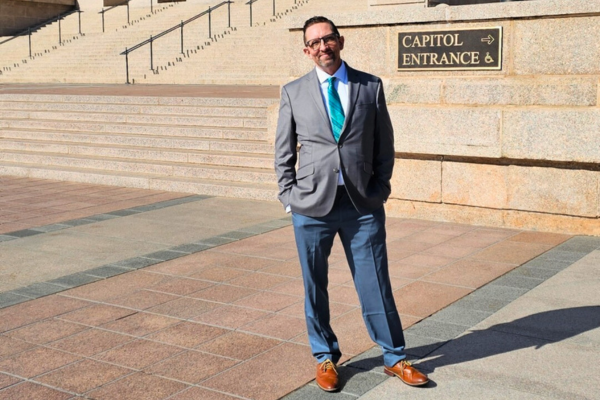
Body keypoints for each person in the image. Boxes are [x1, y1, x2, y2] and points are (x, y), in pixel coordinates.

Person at [274, 16, 429, 392]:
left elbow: (384, 145)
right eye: (315, 42)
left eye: (329, 39)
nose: (323, 46)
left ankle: (394, 356)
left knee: (375, 281)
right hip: (312, 206)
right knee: (315, 284)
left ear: (340, 41)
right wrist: (289, 198)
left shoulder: (368, 86)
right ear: (307, 50)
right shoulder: (293, 92)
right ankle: (325, 357)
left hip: (362, 205)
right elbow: (283, 152)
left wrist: (381, 189)